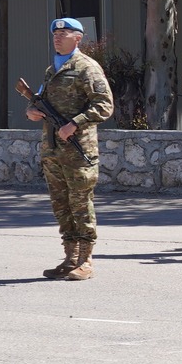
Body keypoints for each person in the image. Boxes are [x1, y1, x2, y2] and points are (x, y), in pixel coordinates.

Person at [25, 16, 115, 281]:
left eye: (63, 33)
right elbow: (40, 100)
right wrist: (31, 111)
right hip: (53, 149)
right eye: (55, 33)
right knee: (61, 205)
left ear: (78, 38)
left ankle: (86, 260)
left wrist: (75, 123)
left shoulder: (87, 67)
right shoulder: (51, 69)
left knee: (80, 204)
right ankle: (70, 257)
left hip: (78, 150)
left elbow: (104, 105)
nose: (57, 37)